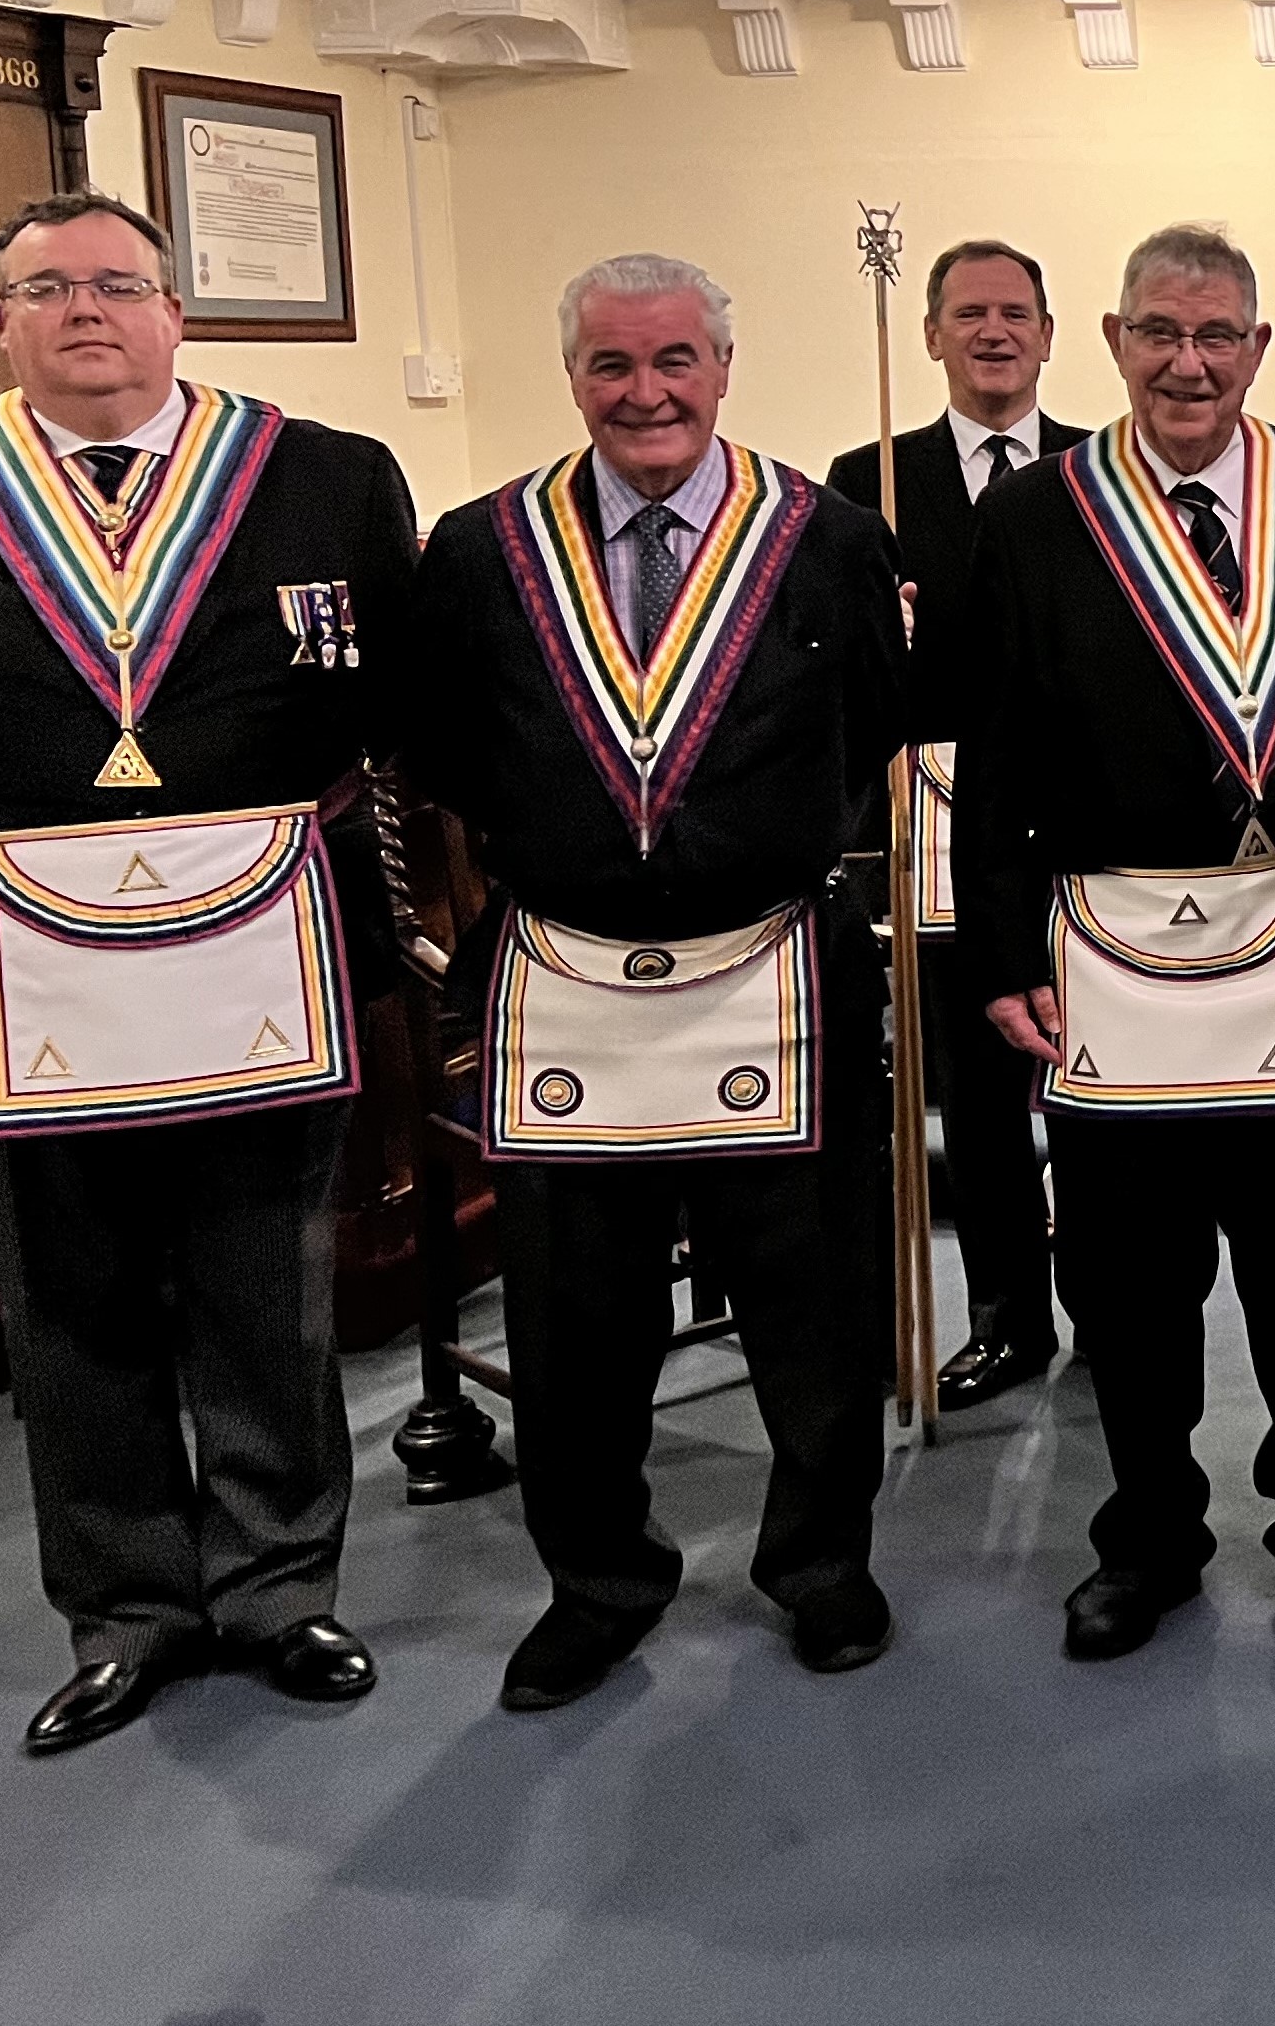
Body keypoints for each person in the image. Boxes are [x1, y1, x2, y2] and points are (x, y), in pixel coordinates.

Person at [404, 253, 903, 1711]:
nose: (646, 392)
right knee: (573, 1321)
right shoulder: (483, 548)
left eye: (675, 359)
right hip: (566, 972)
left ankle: (822, 1564)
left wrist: (725, 838)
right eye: (612, 364)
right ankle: (599, 1584)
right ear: (572, 376)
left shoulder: (827, 538)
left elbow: (875, 721)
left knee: (816, 1308)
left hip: (776, 967)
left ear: (723, 367)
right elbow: (443, 744)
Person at [0, 194, 410, 1754]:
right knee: (66, 1296)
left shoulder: (326, 476)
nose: (84, 310)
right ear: (2, 324)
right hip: (22, 963)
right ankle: (128, 1608)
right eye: (45, 289)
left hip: (259, 945)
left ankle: (278, 1584)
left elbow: (401, 697)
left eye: (117, 283)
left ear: (176, 310)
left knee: (265, 1283)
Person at [954, 224, 1275, 1662]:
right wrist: (1000, 951)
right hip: (1106, 952)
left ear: (1258, 348)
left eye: (1218, 335)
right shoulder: (1037, 517)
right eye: (1160, 332)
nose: (1189, 363)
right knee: (1127, 1280)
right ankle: (1148, 1531)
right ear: (1113, 340)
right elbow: (994, 752)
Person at [825, 237, 1084, 1413]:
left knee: (1087, 1082)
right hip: (937, 822)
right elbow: (844, 665)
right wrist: (884, 637)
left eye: (1016, 312)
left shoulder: (1098, 466)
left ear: (1049, 334)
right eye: (970, 313)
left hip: (1074, 819)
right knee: (977, 1095)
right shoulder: (869, 477)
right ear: (930, 334)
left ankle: (1107, 1301)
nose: (994, 331)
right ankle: (1007, 1319)